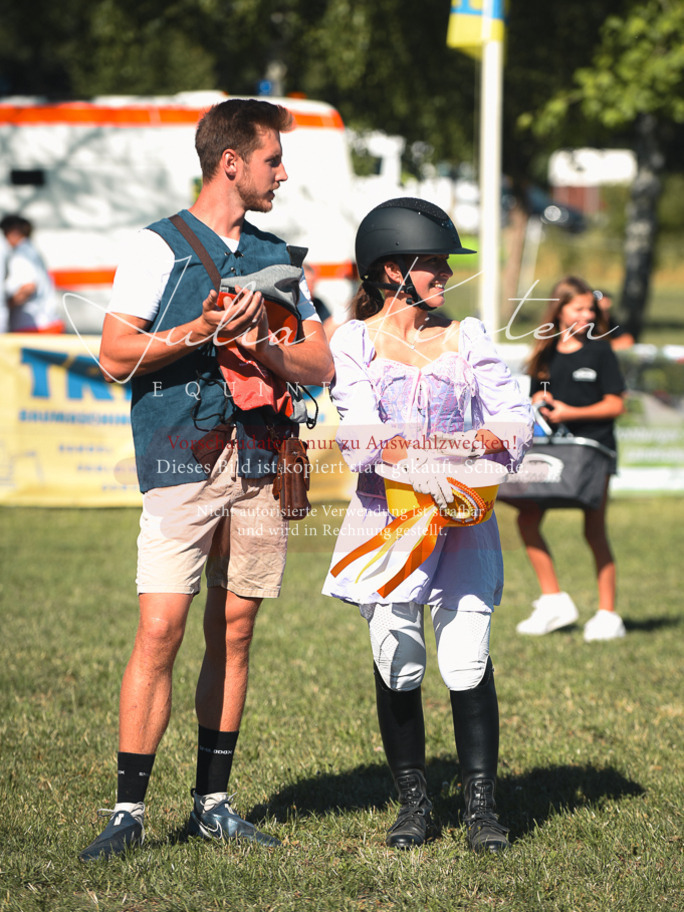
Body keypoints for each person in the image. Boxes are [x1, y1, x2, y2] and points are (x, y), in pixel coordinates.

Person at [79, 99, 334, 861]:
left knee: (236, 629)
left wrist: (265, 345)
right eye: (273, 160)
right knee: (159, 627)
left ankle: (212, 804)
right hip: (179, 457)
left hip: (259, 459)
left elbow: (320, 366)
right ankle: (128, 812)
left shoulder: (281, 258)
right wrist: (200, 330)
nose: (281, 174)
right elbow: (114, 356)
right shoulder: (156, 249)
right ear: (232, 162)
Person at [321, 198, 533, 853]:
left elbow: (517, 422)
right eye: (431, 262)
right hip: (389, 521)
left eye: (444, 262)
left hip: (464, 520)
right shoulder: (352, 343)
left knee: (466, 658)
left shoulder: (469, 337)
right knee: (401, 660)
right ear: (389, 271)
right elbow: (360, 438)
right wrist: (427, 464)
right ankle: (414, 801)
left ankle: (480, 806)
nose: (445, 273)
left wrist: (459, 460)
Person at [515, 275, 627, 641]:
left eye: (590, 309)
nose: (586, 315)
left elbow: (616, 403)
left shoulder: (600, 350)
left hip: (594, 452)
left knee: (594, 530)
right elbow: (537, 397)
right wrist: (538, 405)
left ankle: (608, 615)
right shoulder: (543, 352)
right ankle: (553, 601)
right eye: (578, 308)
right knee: (527, 519)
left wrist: (569, 413)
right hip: (551, 453)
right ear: (559, 309)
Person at [1, 214, 64, 332]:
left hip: (34, 326)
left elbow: (28, 287)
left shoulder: (21, 255)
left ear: (14, 232)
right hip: (46, 322)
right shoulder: (31, 251)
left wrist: (5, 307)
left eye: (5, 233)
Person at [303, 261, 337, 338]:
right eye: (307, 283)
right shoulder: (293, 306)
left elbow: (329, 322)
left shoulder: (318, 303)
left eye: (313, 283)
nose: (311, 287)